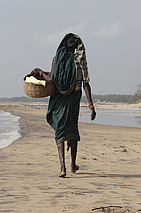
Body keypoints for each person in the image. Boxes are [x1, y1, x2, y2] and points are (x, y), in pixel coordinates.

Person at [31, 33, 96, 177]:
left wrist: (39, 72)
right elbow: (86, 83)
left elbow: (50, 78)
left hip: (59, 99)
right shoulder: (79, 61)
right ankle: (73, 165)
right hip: (73, 98)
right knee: (72, 128)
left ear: (63, 44)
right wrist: (91, 105)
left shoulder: (56, 59)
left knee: (60, 130)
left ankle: (63, 168)